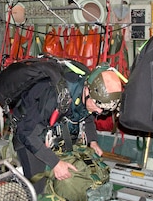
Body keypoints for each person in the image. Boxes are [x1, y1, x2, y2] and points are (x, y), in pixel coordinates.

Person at [7, 61, 122, 194]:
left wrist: (92, 141)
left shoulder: (86, 89)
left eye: (104, 109)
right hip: (29, 134)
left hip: (57, 131)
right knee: (37, 189)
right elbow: (25, 133)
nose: (100, 112)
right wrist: (55, 163)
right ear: (86, 90)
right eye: (98, 105)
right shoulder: (53, 96)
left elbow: (86, 113)